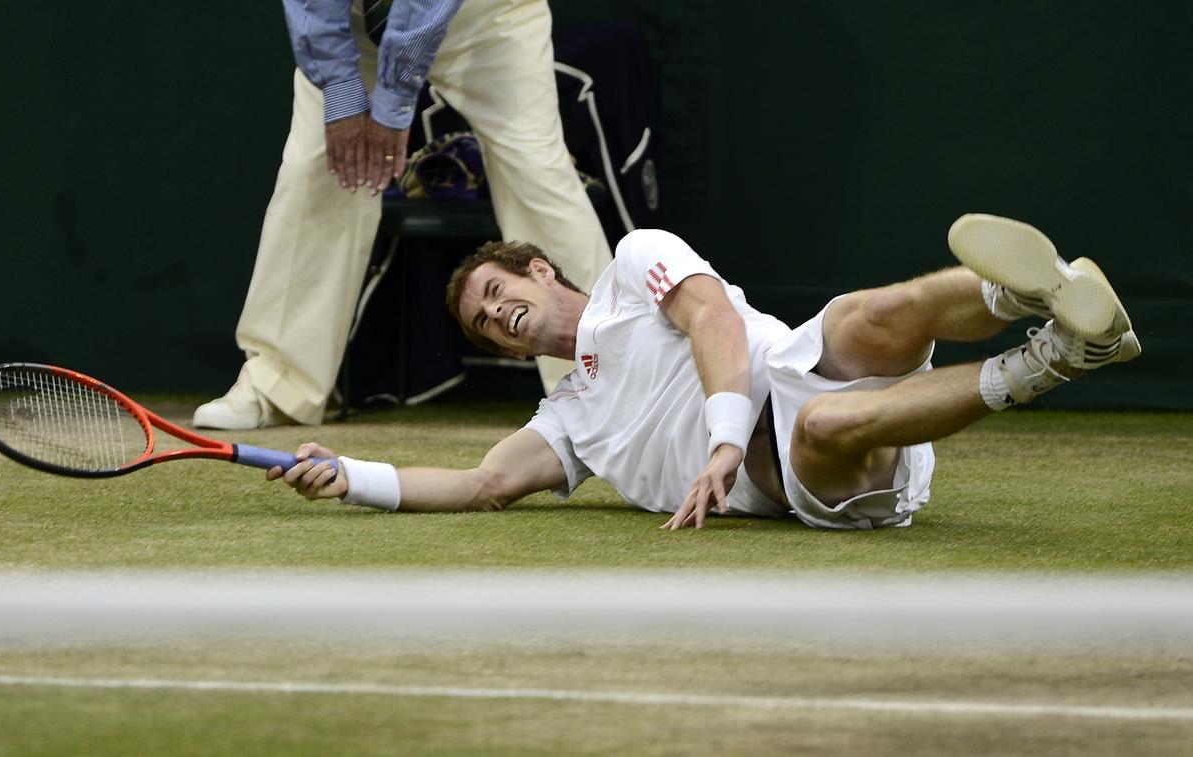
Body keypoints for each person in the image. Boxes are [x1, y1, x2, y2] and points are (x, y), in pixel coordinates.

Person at [267, 214, 1140, 530]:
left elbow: (713, 317)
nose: (496, 315)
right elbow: (478, 484)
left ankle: (1038, 290)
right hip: (806, 473)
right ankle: (1060, 355)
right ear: (503, 349)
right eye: (484, 325)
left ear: (538, 269)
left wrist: (719, 441)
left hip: (791, 367)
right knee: (826, 425)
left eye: (497, 291)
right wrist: (352, 478)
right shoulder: (571, 416)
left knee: (860, 316)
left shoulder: (635, 258)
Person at [193, 0, 613, 429]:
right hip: (354, 25)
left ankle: (608, 376)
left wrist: (393, 102)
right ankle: (277, 385)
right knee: (316, 169)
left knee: (537, 171)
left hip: (486, 14)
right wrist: (340, 91)